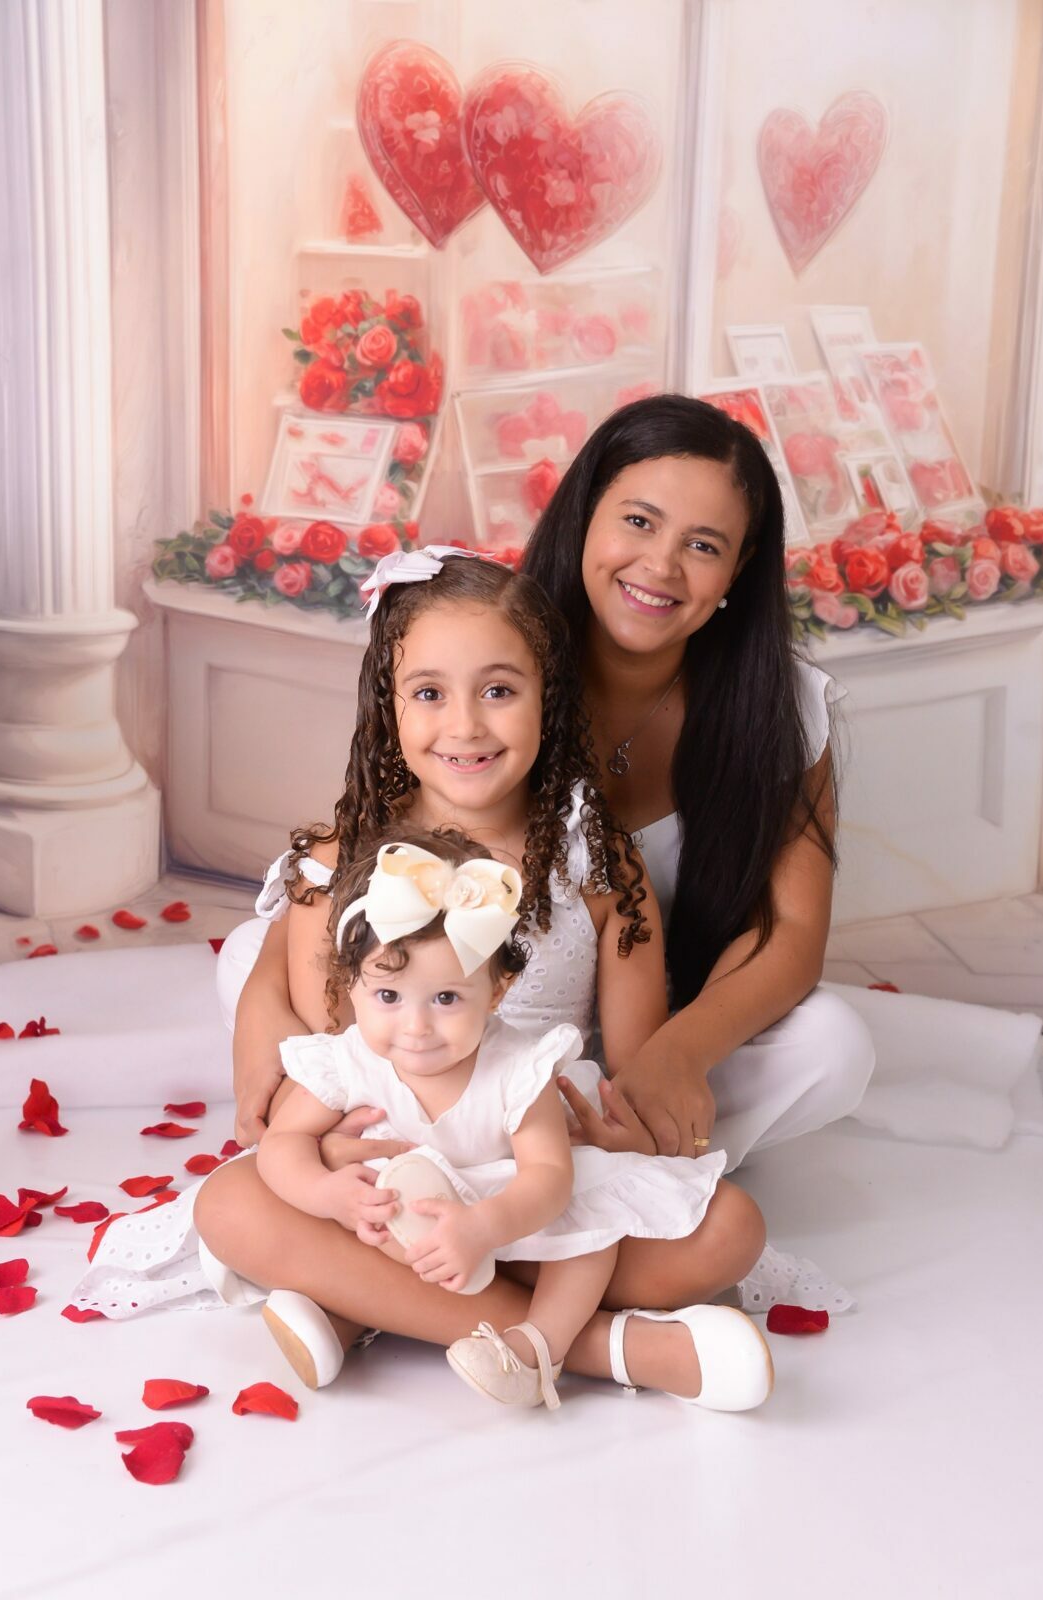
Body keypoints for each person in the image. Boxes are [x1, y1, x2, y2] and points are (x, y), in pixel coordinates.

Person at [70, 551, 770, 1405]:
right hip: (393, 1182)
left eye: (499, 690)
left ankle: (363, 1306)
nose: (465, 726)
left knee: (728, 1232)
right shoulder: (336, 864)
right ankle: (595, 1348)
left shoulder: (597, 867)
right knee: (232, 1207)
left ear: (548, 698)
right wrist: (326, 1166)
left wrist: (621, 1140)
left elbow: (634, 1063)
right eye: (430, 692)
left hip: (534, 1175)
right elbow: (336, 1055)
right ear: (388, 706)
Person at [260, 827, 771, 1412]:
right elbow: (283, 1143)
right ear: (351, 984)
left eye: (446, 998)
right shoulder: (348, 1061)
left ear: (497, 990)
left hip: (512, 1214)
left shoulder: (518, 1070)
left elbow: (549, 1178)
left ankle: (538, 1348)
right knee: (284, 1204)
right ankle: (364, 1311)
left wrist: (483, 1228)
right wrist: (327, 1194)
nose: (416, 1027)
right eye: (389, 997)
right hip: (410, 1222)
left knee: (589, 1232)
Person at [520, 393, 876, 1163]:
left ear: (736, 571)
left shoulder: (779, 706)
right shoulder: (490, 658)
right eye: (638, 521)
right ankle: (612, 1164)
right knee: (276, 959)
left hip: (666, 1028)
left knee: (834, 1046)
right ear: (584, 514)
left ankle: (611, 1157)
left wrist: (674, 1055)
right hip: (493, 1015)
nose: (660, 566)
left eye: (703, 545)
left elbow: (789, 933)